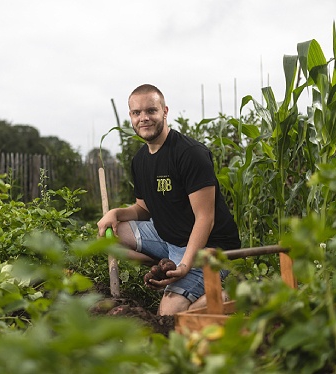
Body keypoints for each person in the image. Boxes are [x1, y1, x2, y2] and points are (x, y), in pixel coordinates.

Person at [97, 84, 240, 315]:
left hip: (208, 247)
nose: (144, 118)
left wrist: (185, 266)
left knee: (167, 316)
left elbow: (206, 218)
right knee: (111, 234)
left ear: (164, 111)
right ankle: (165, 266)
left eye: (151, 111)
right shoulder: (140, 160)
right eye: (137, 113)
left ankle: (231, 293)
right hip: (168, 238)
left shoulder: (190, 154)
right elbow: (143, 209)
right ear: (131, 117)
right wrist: (115, 214)